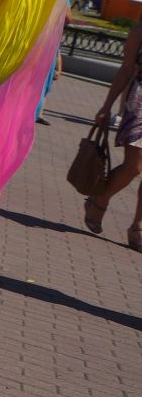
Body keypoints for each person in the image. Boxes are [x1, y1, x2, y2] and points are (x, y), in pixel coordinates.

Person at [85, 22, 142, 250]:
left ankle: (137, 225)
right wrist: (107, 105)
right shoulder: (140, 29)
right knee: (134, 166)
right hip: (139, 101)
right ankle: (100, 199)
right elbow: (126, 68)